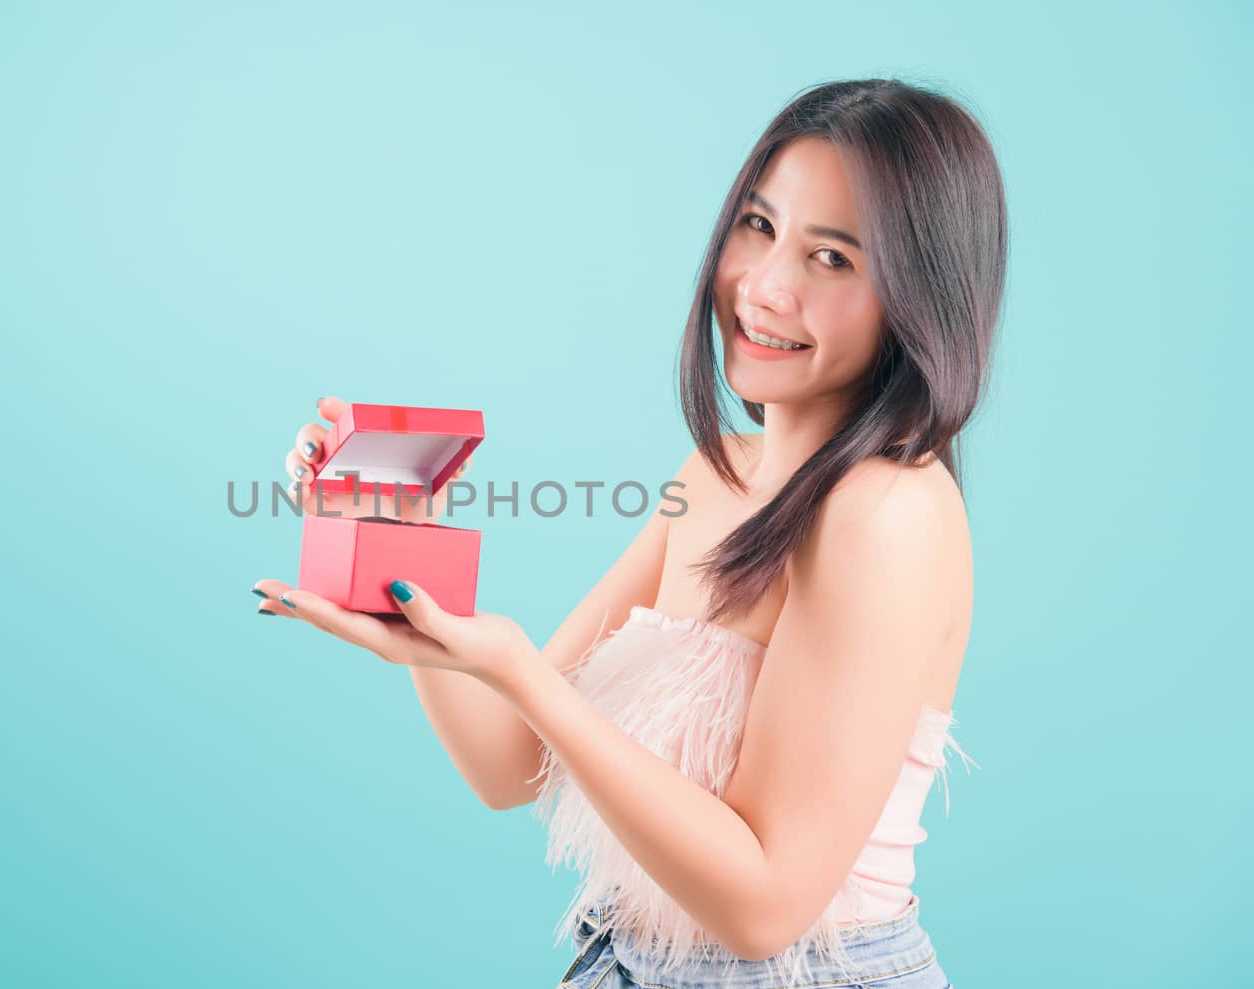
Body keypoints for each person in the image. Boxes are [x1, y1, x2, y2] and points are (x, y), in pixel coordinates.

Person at [251, 77, 1004, 989]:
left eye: (834, 259)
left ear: (921, 297)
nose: (765, 287)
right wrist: (404, 563)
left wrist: (521, 670)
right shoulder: (715, 473)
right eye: (759, 227)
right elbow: (511, 764)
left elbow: (764, 905)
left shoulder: (888, 511)